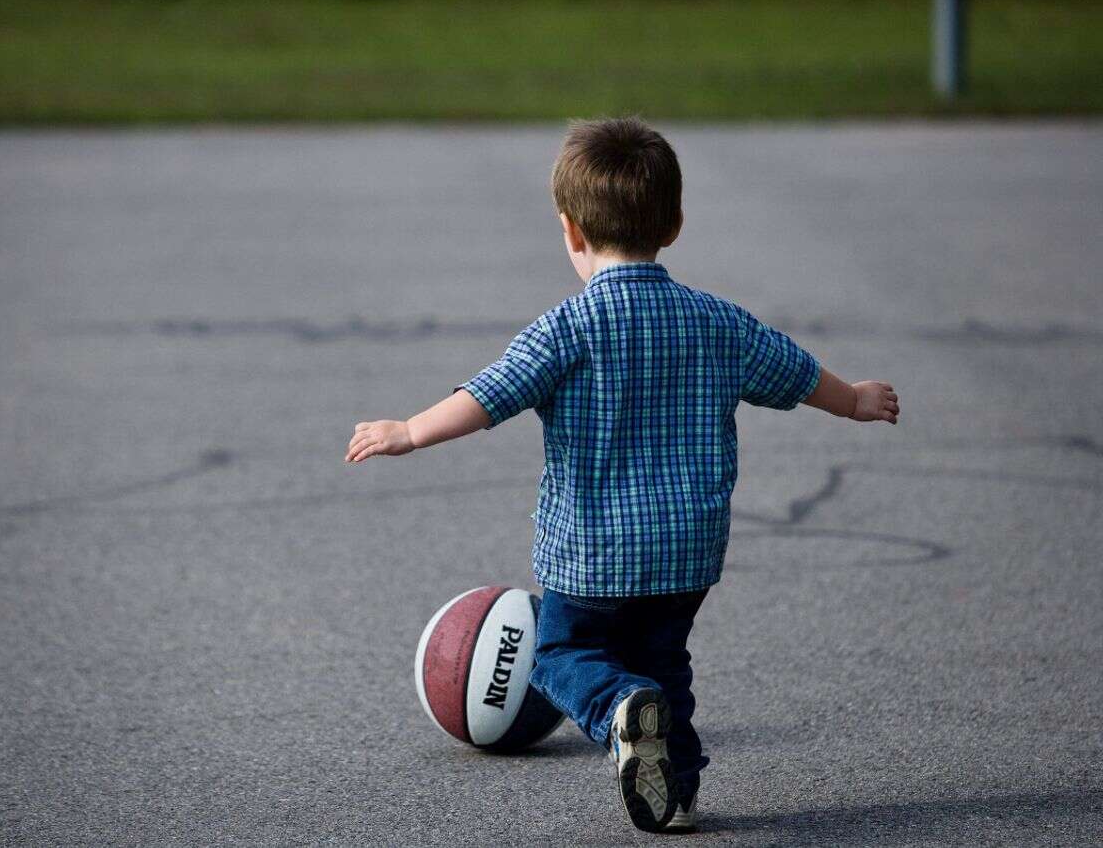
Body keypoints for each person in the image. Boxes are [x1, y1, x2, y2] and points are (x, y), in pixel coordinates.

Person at [343, 117, 900, 833]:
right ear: (674, 224)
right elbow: (793, 372)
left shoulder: (566, 328)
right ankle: (678, 794)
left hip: (592, 553)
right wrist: (853, 399)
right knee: (665, 667)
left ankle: (617, 709)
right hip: (686, 554)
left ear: (571, 231)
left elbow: (488, 397)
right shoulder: (717, 322)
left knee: (558, 654)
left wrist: (410, 430)